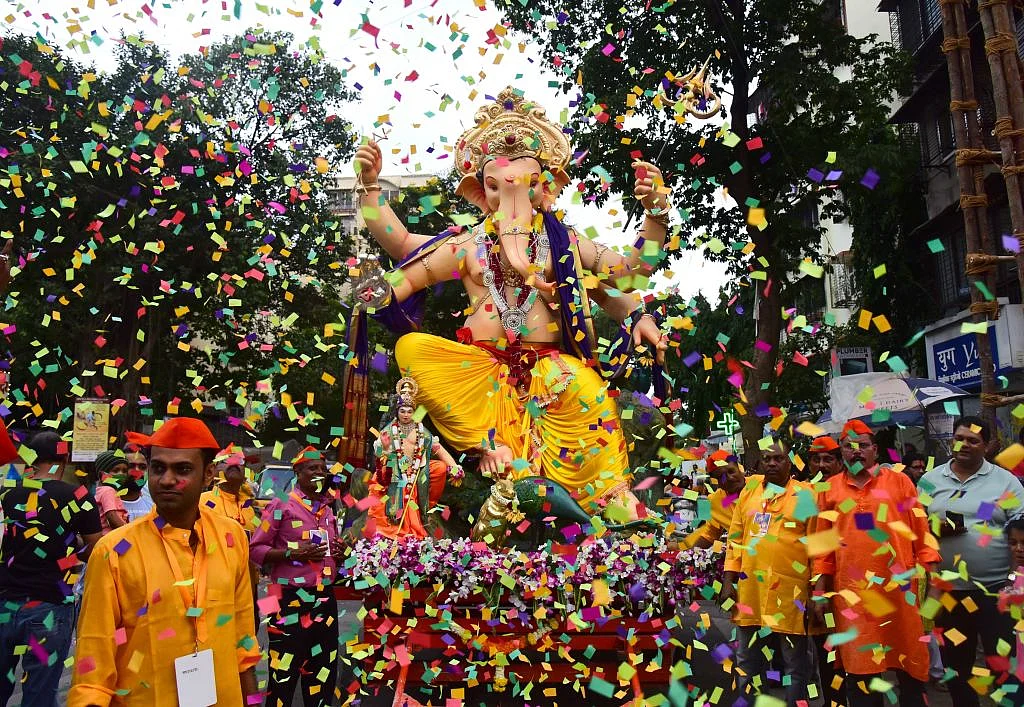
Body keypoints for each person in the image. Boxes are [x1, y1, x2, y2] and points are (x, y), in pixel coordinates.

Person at [352, 87, 671, 521]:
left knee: (592, 393)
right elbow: (403, 248)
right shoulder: (467, 244)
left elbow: (631, 273)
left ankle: (614, 506)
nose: (512, 199)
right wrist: (370, 190)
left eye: (525, 185)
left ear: (546, 188)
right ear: (480, 192)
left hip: (553, 370)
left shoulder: (566, 243)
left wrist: (655, 217)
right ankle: (488, 446)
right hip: (480, 374)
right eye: (496, 187)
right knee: (412, 350)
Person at [69, 417, 259, 706]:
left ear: (208, 474)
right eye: (158, 468)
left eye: (182, 469)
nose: (167, 479)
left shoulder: (231, 537)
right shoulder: (115, 551)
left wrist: (253, 700)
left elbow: (244, 638)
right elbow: (93, 663)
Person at [812, 419, 940, 706]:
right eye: (849, 446)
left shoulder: (900, 481)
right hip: (853, 598)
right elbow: (823, 549)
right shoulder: (829, 490)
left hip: (900, 594)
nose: (857, 452)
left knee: (910, 673)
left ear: (875, 450)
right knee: (862, 676)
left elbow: (922, 536)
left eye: (863, 446)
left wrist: (932, 585)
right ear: (842, 452)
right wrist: (819, 593)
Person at [919, 415, 1024, 706]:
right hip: (948, 595)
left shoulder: (1006, 482)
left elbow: (1021, 535)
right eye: (959, 438)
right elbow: (916, 530)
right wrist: (939, 528)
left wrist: (1014, 583)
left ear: (988, 446)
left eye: (973, 440)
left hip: (996, 592)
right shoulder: (930, 480)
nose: (964, 445)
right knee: (957, 669)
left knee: (1003, 668)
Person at [0, 429, 101, 707]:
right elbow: (95, 547)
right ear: (64, 459)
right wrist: (71, 553)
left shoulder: (9, 494)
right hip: (50, 609)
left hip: (6, 604)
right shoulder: (78, 495)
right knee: (39, 693)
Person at [720, 439, 813, 706]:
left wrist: (818, 590)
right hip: (751, 592)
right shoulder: (749, 494)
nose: (771, 463)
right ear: (760, 463)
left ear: (790, 462)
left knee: (794, 665)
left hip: (791, 593)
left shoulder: (805, 495)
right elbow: (734, 540)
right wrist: (728, 582)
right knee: (747, 662)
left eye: (778, 459)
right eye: (766, 459)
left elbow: (817, 542)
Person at [250, 446, 342, 707]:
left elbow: (331, 554)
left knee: (322, 671)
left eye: (323, 470)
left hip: (325, 598)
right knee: (283, 672)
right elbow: (256, 549)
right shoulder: (281, 504)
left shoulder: (328, 510)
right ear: (297, 472)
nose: (319, 474)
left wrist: (341, 553)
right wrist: (293, 553)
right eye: (312, 468)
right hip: (288, 598)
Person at [367, 377, 463, 539]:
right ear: (397, 412)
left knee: (439, 468)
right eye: (402, 411)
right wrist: (383, 448)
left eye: (409, 411)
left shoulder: (422, 432)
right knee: (400, 489)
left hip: (419, 469)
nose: (406, 414)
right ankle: (403, 527)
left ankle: (427, 508)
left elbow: (438, 448)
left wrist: (454, 466)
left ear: (414, 412)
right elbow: (378, 452)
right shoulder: (389, 430)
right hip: (396, 471)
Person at [678, 449, 744, 551]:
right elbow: (710, 534)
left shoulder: (760, 485)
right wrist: (689, 555)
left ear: (739, 468)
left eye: (731, 471)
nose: (730, 478)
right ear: (718, 482)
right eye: (722, 477)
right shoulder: (715, 501)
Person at [93, 450, 129, 534]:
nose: (121, 474)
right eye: (116, 470)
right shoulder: (108, 491)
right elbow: (111, 515)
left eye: (124, 471)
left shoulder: (105, 490)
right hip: (110, 536)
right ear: (102, 474)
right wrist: (128, 532)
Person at [119, 445, 154, 522]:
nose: (137, 472)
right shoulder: (106, 505)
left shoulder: (154, 507)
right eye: (131, 466)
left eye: (142, 467)